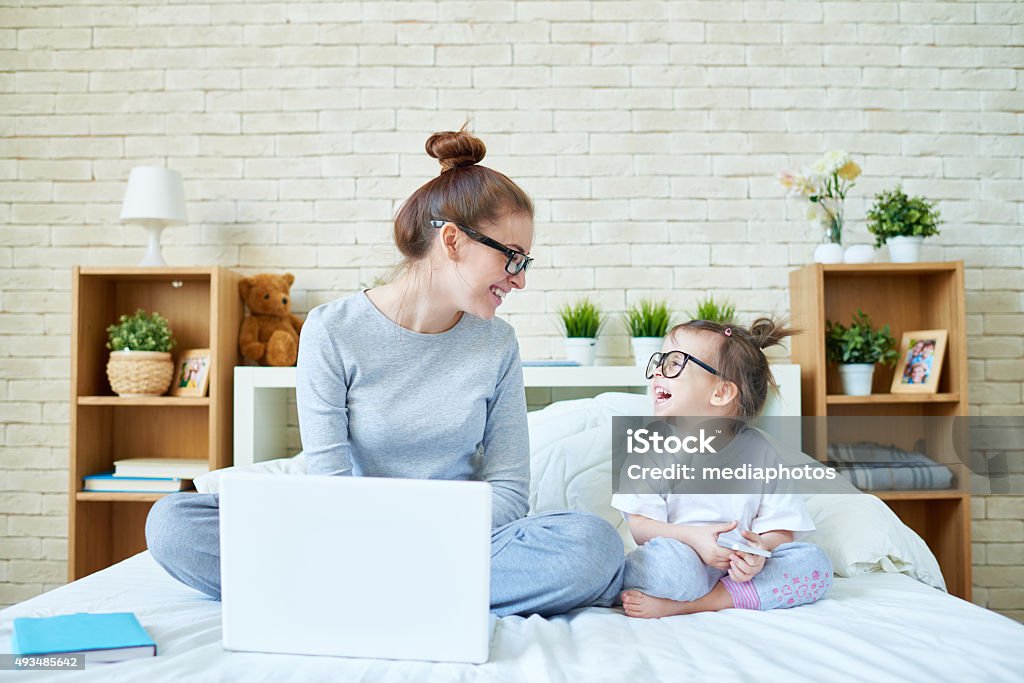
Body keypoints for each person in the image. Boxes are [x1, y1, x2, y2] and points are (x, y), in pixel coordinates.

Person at [145, 128, 625, 618]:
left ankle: (347, 589)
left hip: (453, 541)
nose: (520, 278)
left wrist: (421, 536)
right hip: (344, 533)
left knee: (592, 545)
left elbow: (508, 490)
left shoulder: (496, 343)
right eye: (513, 256)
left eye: (525, 262)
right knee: (174, 523)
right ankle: (416, 590)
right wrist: (375, 537)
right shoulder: (332, 330)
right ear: (454, 240)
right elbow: (329, 481)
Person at [612, 318, 833, 618]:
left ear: (721, 393)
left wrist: (756, 551)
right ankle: (696, 594)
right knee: (669, 568)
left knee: (814, 563)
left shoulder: (763, 454)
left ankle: (703, 603)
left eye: (675, 364)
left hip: (739, 572)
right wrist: (696, 540)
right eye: (661, 360)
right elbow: (640, 527)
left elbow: (780, 530)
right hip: (682, 556)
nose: (659, 372)